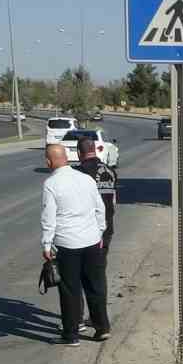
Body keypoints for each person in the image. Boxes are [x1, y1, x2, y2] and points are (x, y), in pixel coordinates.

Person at [41, 143, 108, 346]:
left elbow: (48, 218)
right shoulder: (86, 179)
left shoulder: (51, 184)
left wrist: (46, 244)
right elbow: (100, 208)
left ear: (49, 161)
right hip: (91, 241)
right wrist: (100, 231)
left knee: (70, 290)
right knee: (95, 286)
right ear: (67, 158)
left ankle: (71, 335)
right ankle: (102, 328)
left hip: (67, 244)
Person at [72, 136, 117, 332]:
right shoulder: (109, 171)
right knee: (99, 274)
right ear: (95, 150)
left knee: (80, 275)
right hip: (106, 229)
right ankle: (97, 316)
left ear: (79, 153)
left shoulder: (78, 173)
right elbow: (114, 199)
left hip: (85, 230)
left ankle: (78, 318)